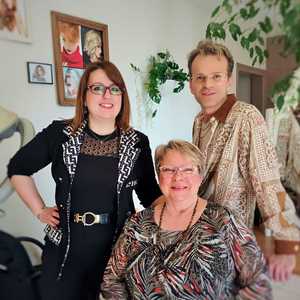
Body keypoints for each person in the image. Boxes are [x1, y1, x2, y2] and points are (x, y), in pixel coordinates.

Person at [7, 61, 161, 300]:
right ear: (84, 96)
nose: (106, 95)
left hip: (117, 252)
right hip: (65, 252)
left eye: (114, 88)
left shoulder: (137, 142)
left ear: (122, 96)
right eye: (97, 88)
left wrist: (188, 213)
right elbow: (18, 168)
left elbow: (150, 194)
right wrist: (39, 210)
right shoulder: (60, 135)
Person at [187, 39, 300, 281]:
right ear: (191, 84)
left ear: (228, 80)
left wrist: (286, 242)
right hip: (200, 239)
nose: (207, 84)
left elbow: (268, 182)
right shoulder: (199, 120)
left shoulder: (247, 117)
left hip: (232, 246)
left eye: (216, 76)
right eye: (200, 77)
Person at [101, 140, 272, 299]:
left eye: (188, 169)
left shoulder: (223, 221)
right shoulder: (137, 224)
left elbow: (258, 282)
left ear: (201, 176)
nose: (178, 177)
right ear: (158, 176)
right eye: (168, 169)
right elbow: (111, 280)